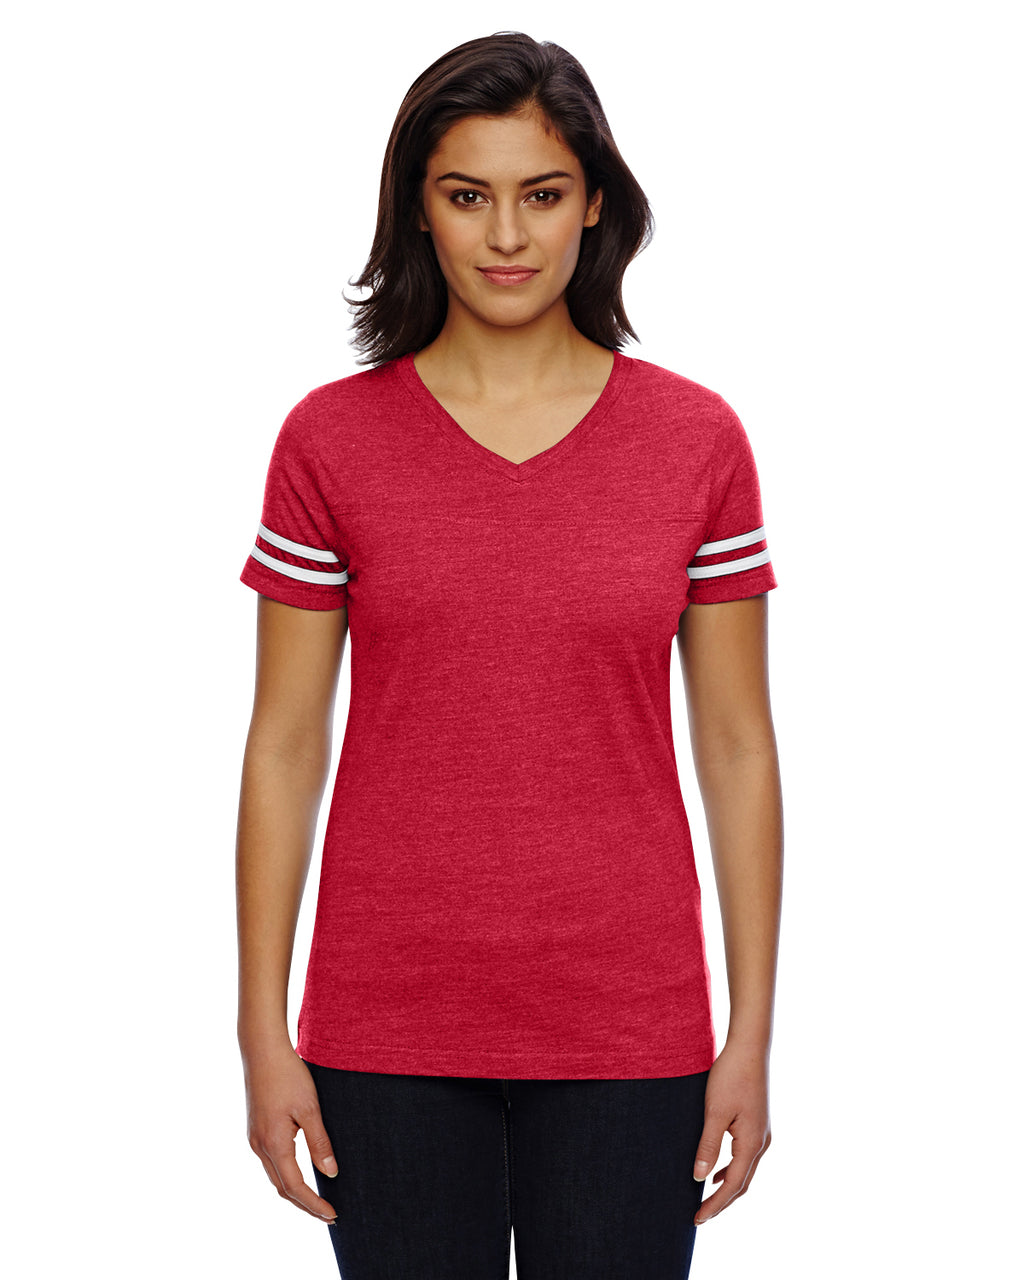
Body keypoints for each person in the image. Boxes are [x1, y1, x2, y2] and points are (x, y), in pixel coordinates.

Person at [236, 30, 783, 1280]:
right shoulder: (329, 442)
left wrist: (749, 1030)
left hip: (629, 1024)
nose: (505, 235)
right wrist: (262, 1029)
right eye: (466, 195)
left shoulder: (696, 442)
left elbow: (738, 744)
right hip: (385, 1024)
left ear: (593, 204)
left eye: (540, 194)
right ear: (416, 209)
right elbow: (283, 743)